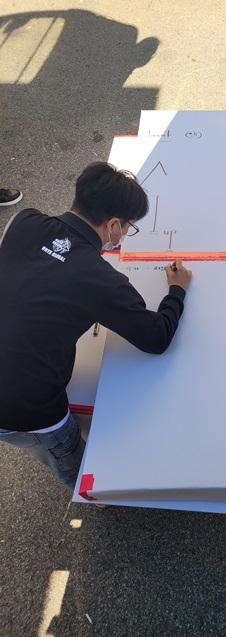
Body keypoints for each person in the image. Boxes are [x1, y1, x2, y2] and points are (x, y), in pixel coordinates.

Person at [0, 162, 192, 493]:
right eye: (129, 227)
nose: (124, 235)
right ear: (114, 224)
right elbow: (157, 337)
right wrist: (177, 290)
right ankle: (89, 492)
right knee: (64, 450)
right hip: (24, 406)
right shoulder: (100, 279)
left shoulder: (24, 221)